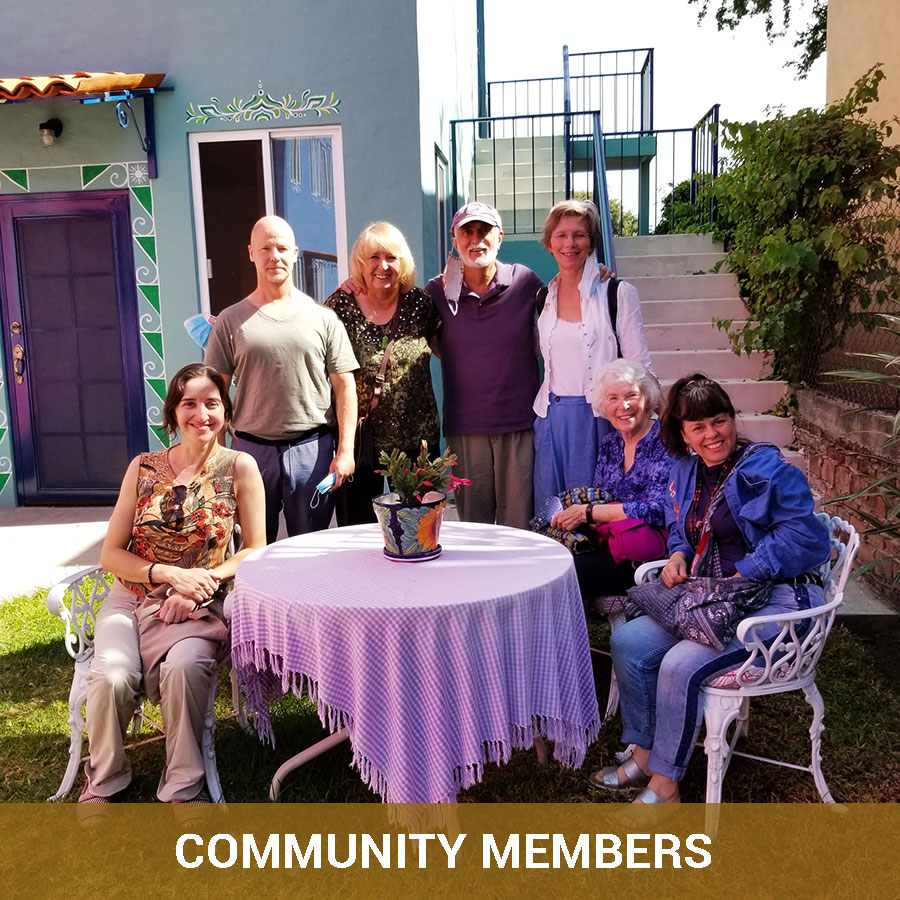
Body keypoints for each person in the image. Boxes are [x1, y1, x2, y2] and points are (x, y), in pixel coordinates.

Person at [590, 374, 831, 812]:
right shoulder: (686, 470)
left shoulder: (765, 469)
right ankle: (644, 752)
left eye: (719, 421)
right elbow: (681, 528)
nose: (711, 434)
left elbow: (808, 538)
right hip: (713, 600)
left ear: (732, 420)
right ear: (682, 434)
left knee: (679, 663)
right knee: (628, 641)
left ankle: (665, 784)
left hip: (773, 602)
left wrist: (747, 569)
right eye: (698, 427)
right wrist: (679, 554)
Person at [80, 363, 266, 803]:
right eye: (189, 404)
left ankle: (184, 782)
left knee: (185, 667)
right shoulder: (143, 467)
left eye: (212, 403)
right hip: (131, 598)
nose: (201, 414)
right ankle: (106, 778)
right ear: (173, 413)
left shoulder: (240, 467)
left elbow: (256, 547)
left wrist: (202, 583)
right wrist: (166, 574)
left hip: (199, 601)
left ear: (226, 411)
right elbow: (111, 554)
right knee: (111, 675)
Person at [205, 215, 358, 542]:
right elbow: (214, 392)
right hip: (250, 451)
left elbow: (345, 386)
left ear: (295, 253)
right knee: (251, 549)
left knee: (311, 547)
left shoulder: (324, 319)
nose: (274, 256)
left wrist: (346, 451)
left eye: (282, 248)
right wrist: (215, 457)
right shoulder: (231, 320)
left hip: (312, 452)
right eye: (265, 248)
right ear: (251, 253)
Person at [425, 202, 545, 530]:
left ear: (500, 237)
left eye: (484, 230)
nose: (476, 239)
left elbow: (563, 312)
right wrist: (354, 287)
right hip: (465, 428)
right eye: (467, 231)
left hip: (518, 423)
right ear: (454, 240)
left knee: (518, 530)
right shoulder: (436, 292)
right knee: (474, 531)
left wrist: (598, 275)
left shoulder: (525, 282)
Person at [534, 200, 652, 504]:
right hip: (551, 421)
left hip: (601, 420)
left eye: (579, 235)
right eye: (561, 235)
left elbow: (640, 368)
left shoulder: (617, 293)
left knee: (595, 513)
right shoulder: (543, 297)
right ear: (549, 243)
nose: (570, 244)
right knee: (552, 514)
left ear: (592, 241)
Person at [325, 222, 440, 525]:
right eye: (373, 257)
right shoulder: (340, 307)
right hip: (361, 443)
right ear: (360, 263)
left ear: (403, 263)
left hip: (417, 442)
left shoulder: (420, 304)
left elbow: (449, 349)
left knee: (418, 529)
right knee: (358, 531)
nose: (383, 266)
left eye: (391, 257)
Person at [544, 359, 672, 601]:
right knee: (548, 560)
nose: (623, 406)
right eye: (613, 398)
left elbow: (659, 510)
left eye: (631, 395)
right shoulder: (610, 444)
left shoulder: (665, 441)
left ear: (647, 398)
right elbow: (602, 497)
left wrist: (589, 513)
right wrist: (587, 516)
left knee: (562, 575)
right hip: (609, 543)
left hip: (645, 556)